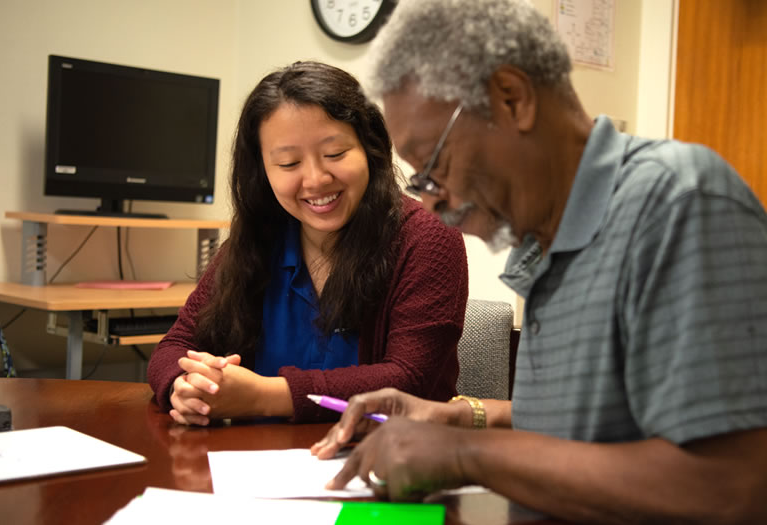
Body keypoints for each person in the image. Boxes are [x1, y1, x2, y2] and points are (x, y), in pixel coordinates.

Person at [311, 1, 767, 522]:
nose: (432, 199)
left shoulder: (678, 202)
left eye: (435, 164)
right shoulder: (550, 242)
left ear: (512, 99)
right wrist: (456, 420)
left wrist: (465, 456)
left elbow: (733, 486)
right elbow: (595, 428)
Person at [147, 61, 468, 426]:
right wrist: (185, 385)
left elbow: (408, 380)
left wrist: (265, 397)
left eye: (334, 154)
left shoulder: (428, 237)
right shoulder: (260, 237)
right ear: (262, 170)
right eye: (288, 163)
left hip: (390, 462)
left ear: (371, 148)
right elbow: (175, 346)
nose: (315, 180)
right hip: (256, 464)